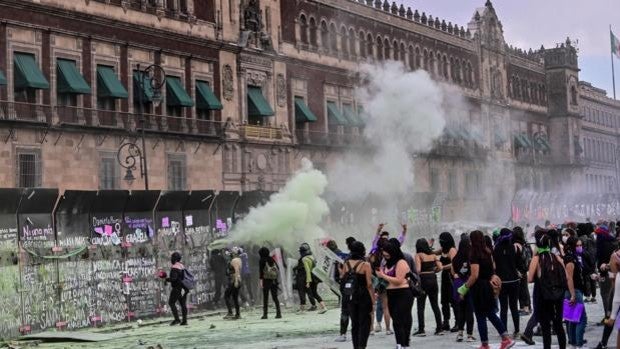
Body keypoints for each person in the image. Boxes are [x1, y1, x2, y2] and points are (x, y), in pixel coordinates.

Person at [458, 230, 514, 349]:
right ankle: (505, 338)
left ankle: (486, 344)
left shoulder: (474, 254)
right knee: (490, 313)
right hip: (488, 286)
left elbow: (474, 275)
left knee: (480, 316)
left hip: (479, 288)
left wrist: (464, 288)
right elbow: (492, 268)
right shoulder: (488, 252)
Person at [528, 231, 567, 349]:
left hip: (543, 296)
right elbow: (565, 275)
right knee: (558, 325)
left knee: (545, 327)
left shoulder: (537, 258)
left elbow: (529, 279)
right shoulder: (556, 257)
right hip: (558, 295)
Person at [377, 241, 414, 349]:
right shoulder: (386, 263)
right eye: (384, 254)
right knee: (396, 319)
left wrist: (383, 275)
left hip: (403, 293)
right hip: (391, 293)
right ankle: (400, 343)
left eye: (387, 253)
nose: (385, 256)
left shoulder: (401, 262)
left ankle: (404, 343)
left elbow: (398, 280)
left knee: (401, 318)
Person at [342, 241, 375, 349]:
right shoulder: (365, 265)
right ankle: (362, 346)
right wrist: (373, 300)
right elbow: (369, 284)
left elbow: (343, 279)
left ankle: (355, 346)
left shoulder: (346, 264)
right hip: (363, 296)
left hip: (350, 296)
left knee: (354, 323)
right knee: (364, 322)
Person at [493, 228, 521, 338]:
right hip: (514, 281)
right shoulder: (515, 247)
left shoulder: (496, 248)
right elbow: (519, 263)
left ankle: (504, 332)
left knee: (503, 308)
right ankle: (517, 331)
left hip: (502, 282)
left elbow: (494, 266)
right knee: (514, 307)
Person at [414, 238, 443, 336]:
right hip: (433, 279)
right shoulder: (433, 255)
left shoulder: (418, 255)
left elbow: (418, 270)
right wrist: (433, 271)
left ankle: (421, 330)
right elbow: (440, 267)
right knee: (435, 305)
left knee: (420, 306)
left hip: (423, 280)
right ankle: (439, 328)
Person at [564, 236, 587, 349]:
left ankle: (573, 342)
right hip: (574, 291)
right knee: (581, 319)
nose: (580, 247)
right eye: (577, 245)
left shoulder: (575, 257)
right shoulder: (570, 259)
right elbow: (569, 278)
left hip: (575, 291)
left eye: (580, 245)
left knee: (572, 319)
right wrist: (573, 294)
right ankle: (578, 343)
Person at [452, 235, 475, 343]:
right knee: (469, 311)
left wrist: (458, 275)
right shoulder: (471, 258)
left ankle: (460, 333)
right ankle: (469, 335)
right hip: (469, 285)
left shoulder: (455, 258)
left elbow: (453, 272)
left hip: (459, 286)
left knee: (461, 310)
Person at [296, 243, 327, 313]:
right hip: (314, 278)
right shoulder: (312, 257)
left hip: (308, 278)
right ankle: (324, 307)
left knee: (303, 292)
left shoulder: (304, 259)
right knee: (314, 293)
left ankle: (302, 309)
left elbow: (307, 271)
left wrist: (308, 282)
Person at [161, 251, 189, 326]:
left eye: (172, 258)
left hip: (177, 288)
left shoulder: (175, 267)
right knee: (183, 304)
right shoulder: (181, 266)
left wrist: (166, 279)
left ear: (175, 259)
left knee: (171, 302)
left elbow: (174, 279)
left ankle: (177, 319)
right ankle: (184, 321)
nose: (171, 259)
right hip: (184, 288)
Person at [438, 232, 458, 332]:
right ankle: (446, 322)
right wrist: (429, 246)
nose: (440, 242)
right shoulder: (443, 250)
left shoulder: (452, 250)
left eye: (441, 240)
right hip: (444, 277)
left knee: (453, 301)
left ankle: (458, 322)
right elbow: (431, 253)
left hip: (451, 277)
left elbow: (454, 264)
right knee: (444, 300)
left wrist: (442, 267)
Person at [258, 246, 281, 319]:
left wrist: (261, 281)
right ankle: (278, 313)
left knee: (265, 298)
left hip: (266, 280)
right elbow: (277, 268)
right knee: (275, 297)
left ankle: (265, 314)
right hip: (274, 280)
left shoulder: (262, 260)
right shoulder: (272, 259)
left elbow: (261, 272)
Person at [513, 226, 532, 315]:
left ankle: (525, 308)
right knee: (524, 288)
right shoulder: (526, 244)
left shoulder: (515, 245)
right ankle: (526, 307)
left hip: (519, 271)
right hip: (525, 269)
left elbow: (514, 259)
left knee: (522, 290)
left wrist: (516, 270)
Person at [224, 247, 243, 320]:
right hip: (236, 279)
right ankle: (237, 314)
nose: (230, 254)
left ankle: (230, 312)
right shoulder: (239, 259)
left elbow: (237, 271)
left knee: (226, 296)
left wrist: (235, 281)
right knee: (235, 298)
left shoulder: (234, 260)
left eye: (232, 252)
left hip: (233, 280)